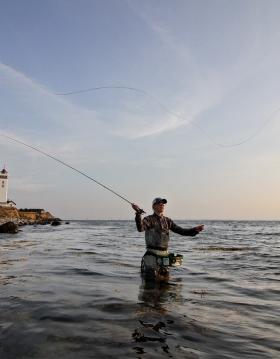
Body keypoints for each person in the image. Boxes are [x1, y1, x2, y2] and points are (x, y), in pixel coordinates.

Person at [132, 197, 204, 278]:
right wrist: (138, 214)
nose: (162, 204)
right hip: (151, 254)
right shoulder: (148, 219)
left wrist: (194, 230)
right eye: (159, 203)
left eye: (163, 203)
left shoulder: (168, 220)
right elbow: (140, 228)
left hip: (165, 254)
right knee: (151, 278)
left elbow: (181, 231)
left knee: (165, 279)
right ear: (153, 206)